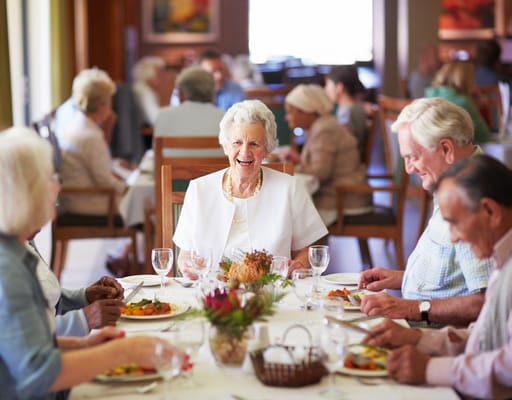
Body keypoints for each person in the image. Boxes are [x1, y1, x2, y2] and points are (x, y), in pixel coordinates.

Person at [0, 127, 183, 399]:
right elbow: (37, 375)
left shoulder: (15, 250)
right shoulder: (7, 268)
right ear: (25, 192)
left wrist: (84, 344)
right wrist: (122, 352)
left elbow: (25, 344)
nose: (57, 186)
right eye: (49, 178)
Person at [363, 155, 512, 399]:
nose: (453, 238)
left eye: (455, 223)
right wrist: (417, 338)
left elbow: (508, 366)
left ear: (490, 211)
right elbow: (483, 338)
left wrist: (430, 369)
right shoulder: (502, 257)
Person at [358, 98, 492, 327]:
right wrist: (404, 278)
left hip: (444, 343)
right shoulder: (453, 182)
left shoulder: (473, 198)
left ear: (446, 149)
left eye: (413, 156)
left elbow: (485, 302)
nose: (409, 168)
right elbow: (456, 279)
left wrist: (411, 307)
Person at [173, 99, 328, 278]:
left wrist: (299, 264)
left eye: (254, 144)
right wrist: (186, 264)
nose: (245, 152)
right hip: (212, 292)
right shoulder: (199, 190)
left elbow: (306, 250)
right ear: (225, 146)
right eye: (237, 143)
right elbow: (184, 254)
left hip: (271, 294)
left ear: (267, 149)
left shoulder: (289, 188)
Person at [279, 84, 372, 226]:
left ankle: (310, 248)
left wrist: (286, 168)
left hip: (342, 201)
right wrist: (298, 160)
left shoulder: (324, 129)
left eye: (290, 112)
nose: (287, 117)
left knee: (290, 222)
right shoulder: (320, 125)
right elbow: (321, 165)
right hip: (339, 196)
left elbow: (321, 172)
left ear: (307, 111)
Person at [57, 68, 127, 216]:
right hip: (87, 202)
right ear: (102, 105)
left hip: (74, 197)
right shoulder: (90, 135)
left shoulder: (77, 124)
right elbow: (105, 181)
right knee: (144, 203)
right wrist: (127, 188)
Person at [30, 238, 125, 336]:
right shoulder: (14, 260)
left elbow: (44, 298)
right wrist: (83, 319)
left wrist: (84, 297)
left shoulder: (25, 240)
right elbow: (28, 336)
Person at [154, 65, 225, 157]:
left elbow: (157, 158)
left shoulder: (162, 116)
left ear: (180, 95)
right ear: (213, 93)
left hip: (172, 171)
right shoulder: (225, 118)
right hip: (215, 171)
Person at [425, 60, 490, 143]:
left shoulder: (428, 97)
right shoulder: (463, 102)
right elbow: (483, 136)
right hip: (461, 153)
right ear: (465, 79)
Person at [324, 65, 368, 160]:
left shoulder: (348, 112)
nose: (326, 89)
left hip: (347, 163)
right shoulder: (356, 107)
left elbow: (342, 143)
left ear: (339, 87)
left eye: (327, 84)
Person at [132, 56, 165, 127]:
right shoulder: (143, 92)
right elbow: (154, 119)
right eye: (158, 74)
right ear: (149, 74)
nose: (161, 78)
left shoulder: (145, 90)